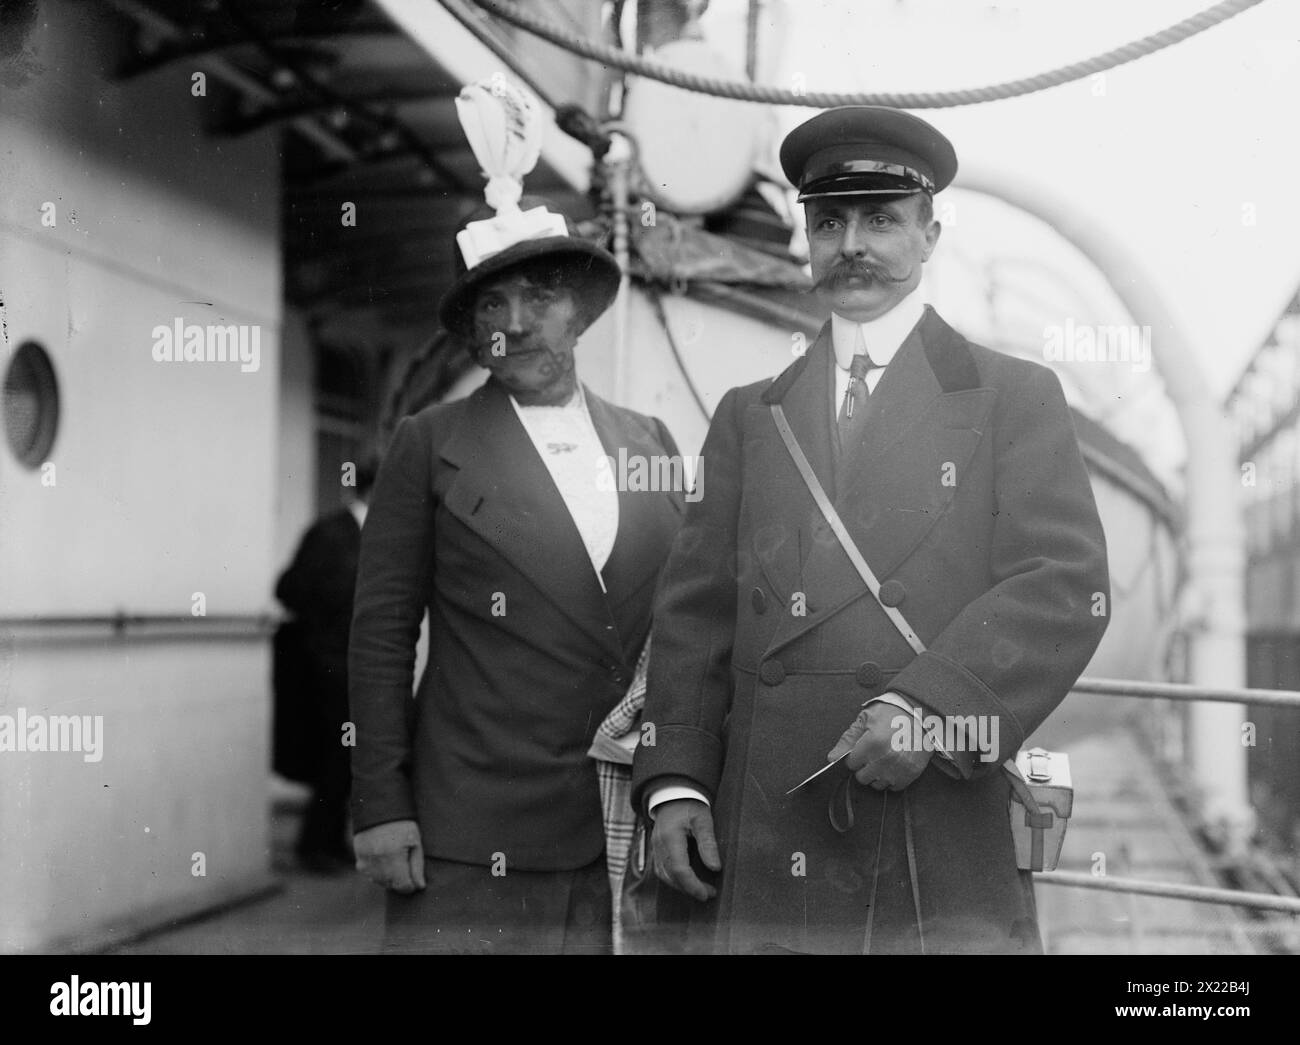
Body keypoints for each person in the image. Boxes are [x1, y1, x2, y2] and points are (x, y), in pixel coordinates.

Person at [631, 106, 1111, 954]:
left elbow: (1066, 584)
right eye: (829, 222)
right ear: (807, 238)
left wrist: (930, 711)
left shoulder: (1011, 397)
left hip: (930, 814)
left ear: (929, 234)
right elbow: (695, 614)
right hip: (767, 819)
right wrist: (674, 780)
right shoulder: (752, 415)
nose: (852, 244)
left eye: (881, 219)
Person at [347, 194, 684, 954]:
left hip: (626, 829)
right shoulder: (430, 443)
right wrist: (380, 803)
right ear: (473, 335)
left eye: (541, 295)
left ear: (580, 312)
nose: (519, 321)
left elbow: (689, 625)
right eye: (493, 303)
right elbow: (380, 636)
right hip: (472, 834)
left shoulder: (650, 439)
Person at [274, 459, 376, 872]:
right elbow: (289, 589)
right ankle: (314, 846)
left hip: (355, 663)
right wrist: (326, 636)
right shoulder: (331, 532)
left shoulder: (373, 535)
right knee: (332, 755)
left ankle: (331, 841)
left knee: (348, 757)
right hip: (328, 665)